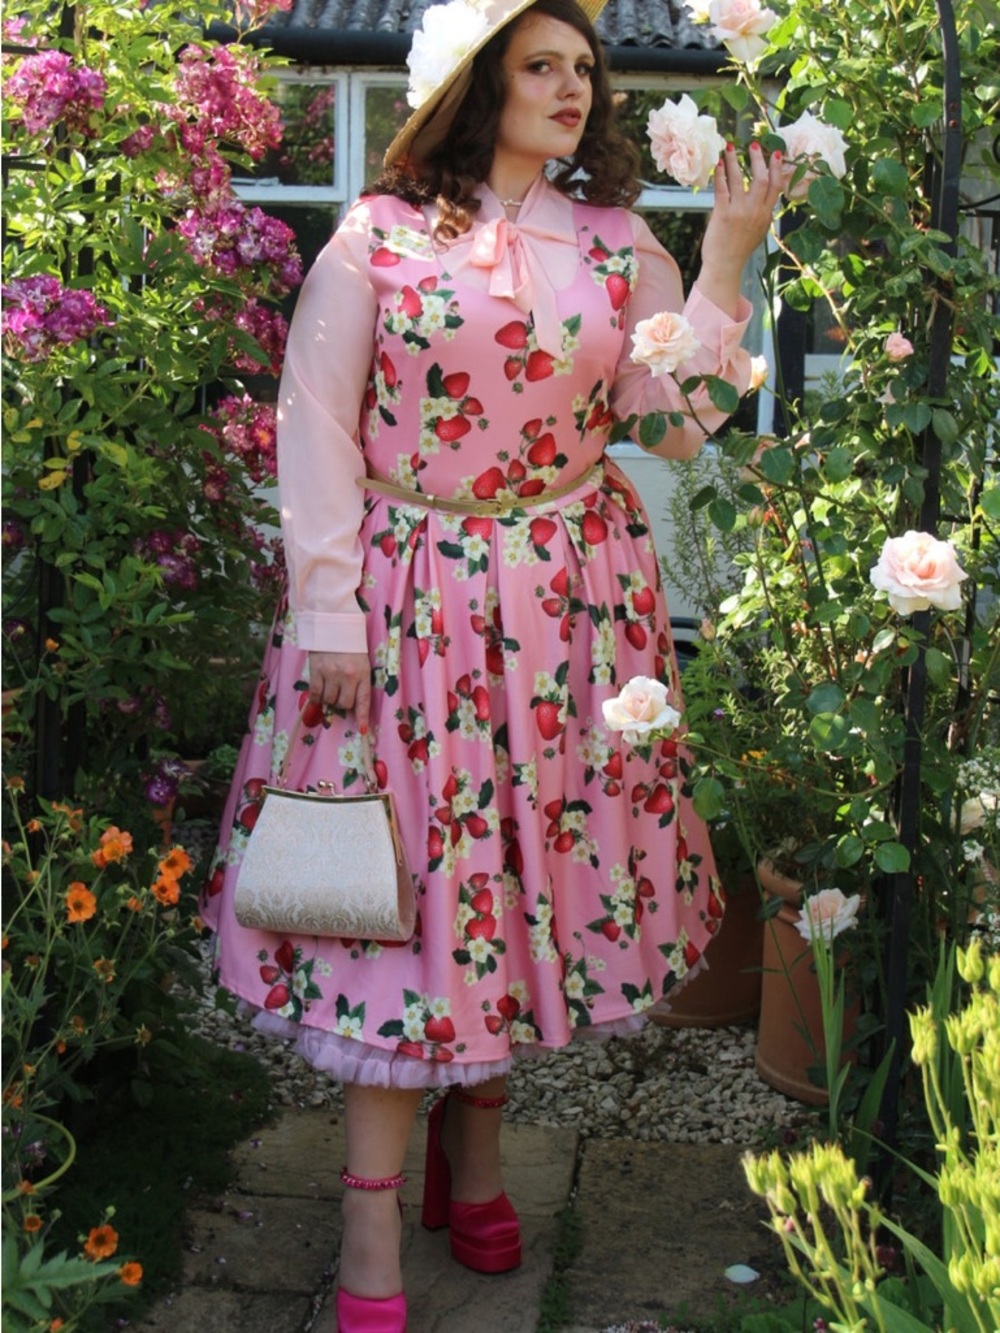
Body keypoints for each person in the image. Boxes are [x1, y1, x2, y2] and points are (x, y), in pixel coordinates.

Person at [201, 0, 784, 1327]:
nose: (573, 88)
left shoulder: (617, 242)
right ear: (476, 83)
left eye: (585, 69)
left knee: (514, 886)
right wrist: (329, 613)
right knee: (406, 896)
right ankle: (369, 1217)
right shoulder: (377, 237)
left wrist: (724, 262)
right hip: (405, 607)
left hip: (569, 612)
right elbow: (314, 426)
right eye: (541, 65)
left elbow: (676, 430)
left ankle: (475, 1161)